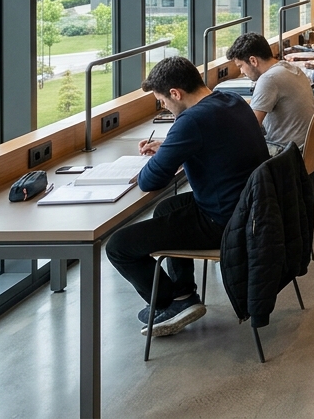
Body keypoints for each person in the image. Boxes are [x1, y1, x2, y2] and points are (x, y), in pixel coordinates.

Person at [106, 57, 269, 337]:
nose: (165, 109)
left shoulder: (192, 120)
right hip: (251, 208)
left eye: (163, 102)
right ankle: (184, 296)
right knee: (168, 208)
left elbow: (150, 180)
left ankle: (167, 302)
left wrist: (169, 151)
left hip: (225, 221)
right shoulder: (230, 101)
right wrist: (171, 147)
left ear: (175, 93)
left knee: (119, 246)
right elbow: (212, 144)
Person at [226, 32, 314, 155]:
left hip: (287, 154)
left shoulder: (268, 79)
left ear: (253, 60)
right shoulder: (291, 69)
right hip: (309, 147)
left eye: (240, 66)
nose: (241, 72)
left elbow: (251, 127)